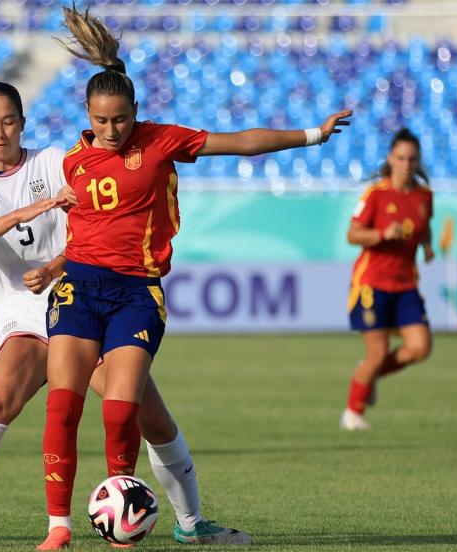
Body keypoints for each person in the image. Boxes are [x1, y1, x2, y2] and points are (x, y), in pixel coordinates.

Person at [37, 5, 353, 550]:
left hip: (136, 293)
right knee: (63, 405)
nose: (111, 130)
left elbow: (243, 142)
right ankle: (58, 529)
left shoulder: (161, 141)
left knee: (122, 411)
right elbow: (85, 233)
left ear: (136, 109)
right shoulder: (72, 162)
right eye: (100, 120)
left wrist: (311, 135)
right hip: (79, 289)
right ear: (86, 113)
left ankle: (126, 527)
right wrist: (53, 266)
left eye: (120, 119)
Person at [0, 82, 251, 549]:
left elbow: (104, 197)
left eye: (9, 120)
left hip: (80, 303)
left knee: (149, 418)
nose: (0, 132)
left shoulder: (55, 161)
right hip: (24, 319)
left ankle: (191, 522)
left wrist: (60, 264)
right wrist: (32, 208)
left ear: (23, 121)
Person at [340, 128, 434, 431]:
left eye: (411, 159)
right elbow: (353, 234)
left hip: (405, 282)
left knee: (420, 348)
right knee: (377, 353)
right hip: (372, 283)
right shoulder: (375, 195)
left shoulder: (424, 196)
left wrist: (428, 246)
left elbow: (423, 226)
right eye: (401, 158)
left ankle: (371, 374)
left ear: (417, 162)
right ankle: (353, 413)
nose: (406, 164)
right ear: (391, 159)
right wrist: (382, 234)